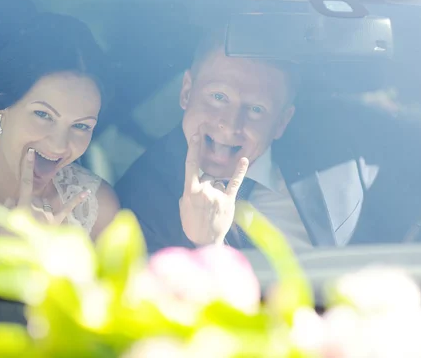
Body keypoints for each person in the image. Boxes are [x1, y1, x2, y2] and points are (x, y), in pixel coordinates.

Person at [116, 28, 314, 253]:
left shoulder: (338, 168)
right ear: (187, 92)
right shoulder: (136, 200)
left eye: (256, 109)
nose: (230, 125)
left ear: (281, 122)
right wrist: (206, 246)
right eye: (219, 97)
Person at [0, 14, 119, 239]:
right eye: (43, 114)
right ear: (2, 106)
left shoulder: (98, 208)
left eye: (81, 126)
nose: (58, 145)